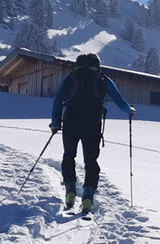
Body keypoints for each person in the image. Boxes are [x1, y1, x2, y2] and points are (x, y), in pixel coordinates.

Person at [49, 53, 134, 213]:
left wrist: (55, 123)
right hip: (92, 122)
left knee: (68, 156)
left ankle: (70, 192)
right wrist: (129, 110)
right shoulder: (102, 79)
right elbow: (119, 100)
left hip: (71, 121)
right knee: (91, 161)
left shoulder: (71, 77)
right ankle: (88, 197)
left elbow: (58, 99)